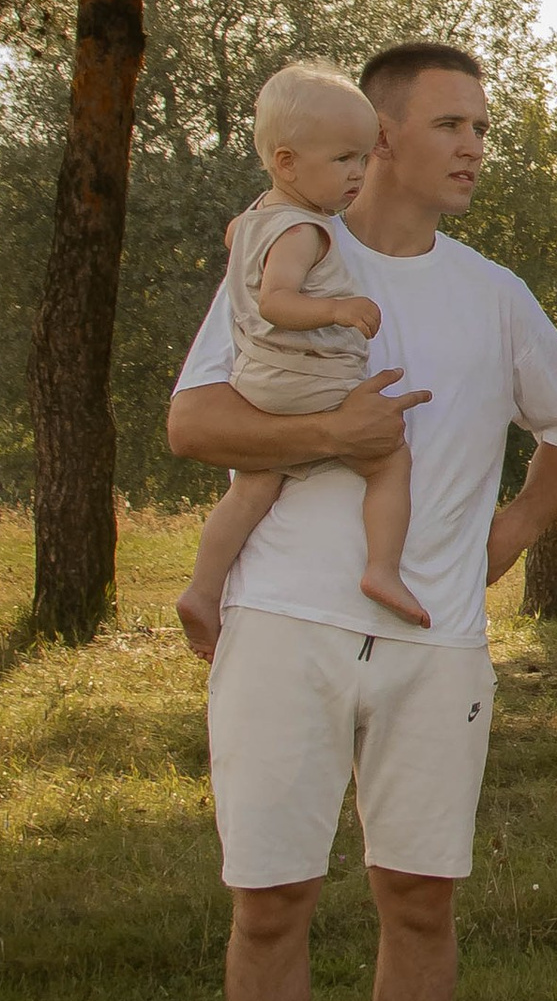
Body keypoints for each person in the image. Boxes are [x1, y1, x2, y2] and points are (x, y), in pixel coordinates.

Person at [165, 41, 557, 1001]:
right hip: (284, 627)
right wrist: (337, 434)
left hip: (437, 646)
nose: (473, 146)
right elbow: (191, 419)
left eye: (482, 125)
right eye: (452, 124)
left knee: (420, 901)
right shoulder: (290, 254)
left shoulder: (494, 293)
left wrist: (510, 534)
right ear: (383, 137)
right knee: (271, 902)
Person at [173, 61, 426, 664]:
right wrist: (339, 307)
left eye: (364, 159)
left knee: (254, 486)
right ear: (287, 163)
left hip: (258, 383)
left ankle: (203, 588)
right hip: (306, 378)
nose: (358, 175)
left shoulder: (254, 217)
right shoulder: (305, 232)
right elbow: (277, 302)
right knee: (390, 459)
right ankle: (383, 568)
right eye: (343, 160)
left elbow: (239, 245)